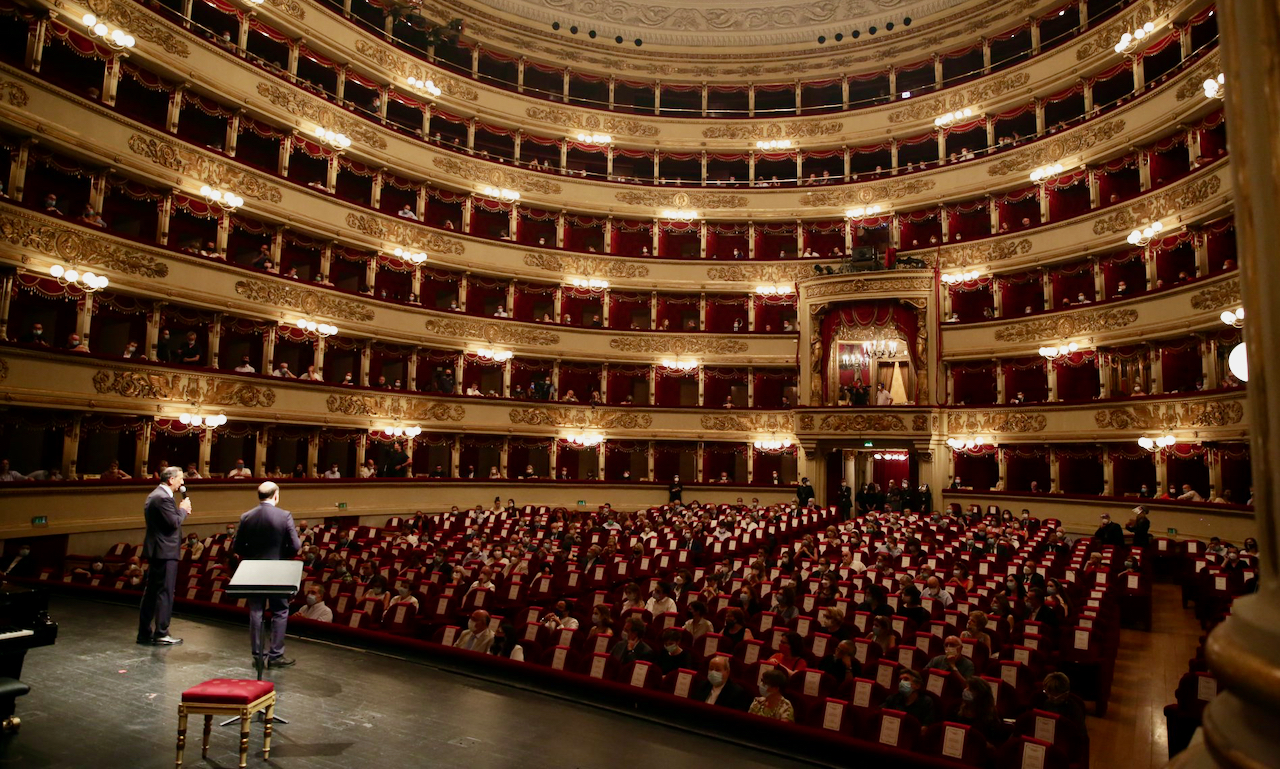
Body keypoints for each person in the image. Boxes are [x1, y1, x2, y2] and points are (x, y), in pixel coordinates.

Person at [231, 481, 302, 667]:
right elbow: (296, 546)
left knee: (256, 611)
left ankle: (258, 655)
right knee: (280, 610)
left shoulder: (246, 516)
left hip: (253, 570)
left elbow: (237, 547)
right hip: (277, 570)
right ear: (276, 495)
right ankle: (276, 655)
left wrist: (254, 557)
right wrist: (280, 556)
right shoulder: (284, 515)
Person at [137, 466, 189, 645]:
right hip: (165, 552)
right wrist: (183, 510)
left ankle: (144, 632)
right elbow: (173, 523)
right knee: (165, 593)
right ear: (171, 480)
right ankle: (161, 632)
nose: (182, 482)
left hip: (159, 551)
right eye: (180, 479)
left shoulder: (157, 496)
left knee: (152, 592)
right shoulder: (162, 498)